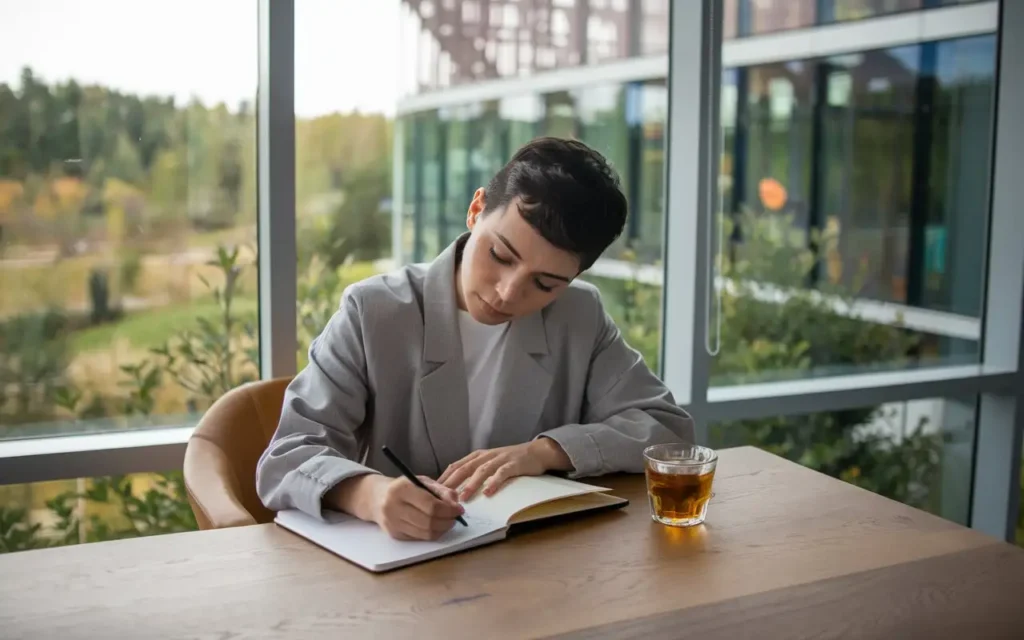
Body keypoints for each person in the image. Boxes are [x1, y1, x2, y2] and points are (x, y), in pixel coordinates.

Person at [256, 137, 694, 541]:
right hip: (403, 569)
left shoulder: (579, 314)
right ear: (476, 209)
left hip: (535, 570)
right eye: (500, 255)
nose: (508, 292)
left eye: (544, 284)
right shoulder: (373, 312)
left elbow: (668, 429)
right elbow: (288, 456)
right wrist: (370, 496)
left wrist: (547, 451)